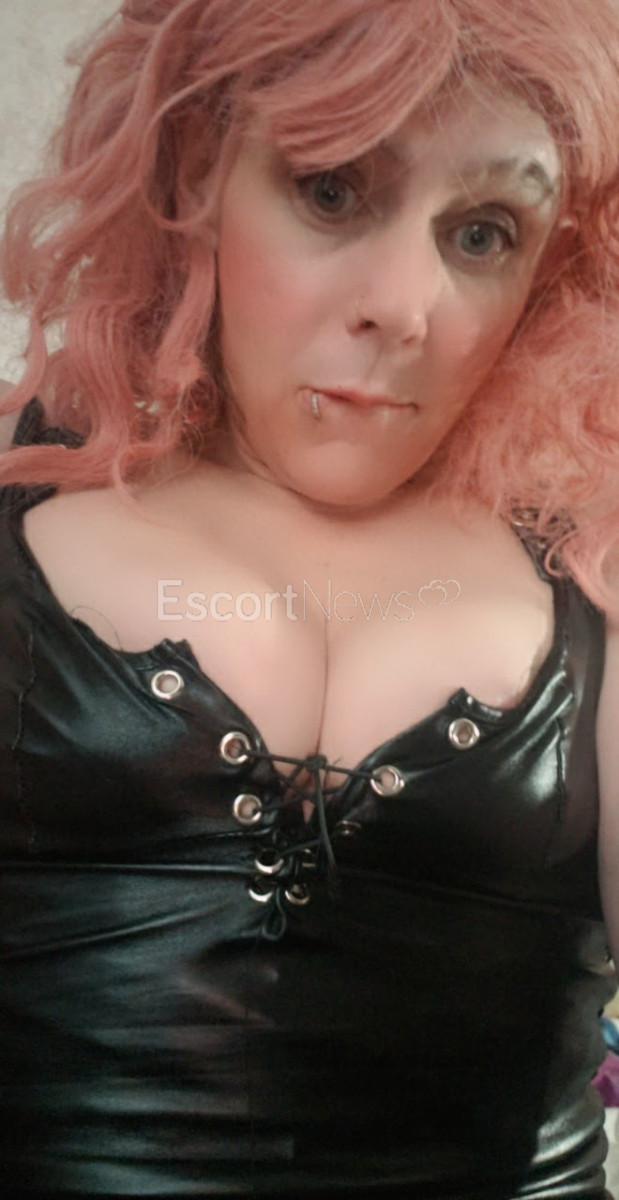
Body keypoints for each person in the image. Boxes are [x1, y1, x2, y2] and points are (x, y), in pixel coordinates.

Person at [0, 0, 618, 1196]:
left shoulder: (593, 566)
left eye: (482, 232)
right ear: (196, 172)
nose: (405, 305)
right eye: (332, 189)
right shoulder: (18, 503)